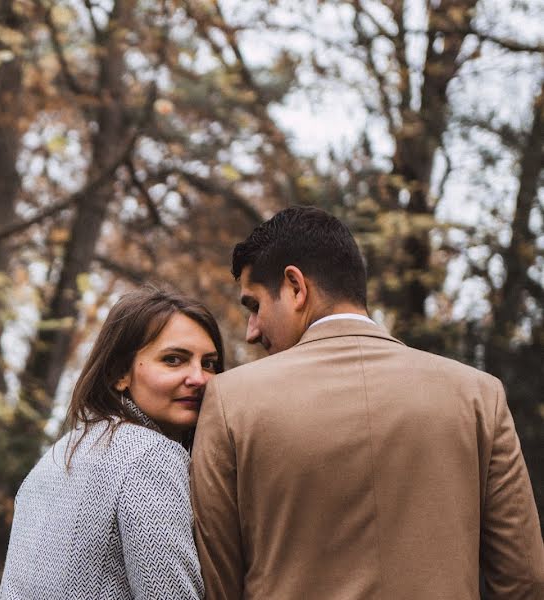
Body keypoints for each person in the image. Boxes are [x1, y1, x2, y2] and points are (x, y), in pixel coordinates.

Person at [190, 206, 544, 599]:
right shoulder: (479, 396)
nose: (252, 332)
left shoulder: (229, 402)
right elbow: (524, 579)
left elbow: (218, 586)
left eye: (254, 306)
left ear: (295, 286)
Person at [0, 287, 224, 599]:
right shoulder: (149, 456)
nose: (199, 378)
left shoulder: (58, 455)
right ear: (120, 373)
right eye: (174, 360)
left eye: (209, 364)